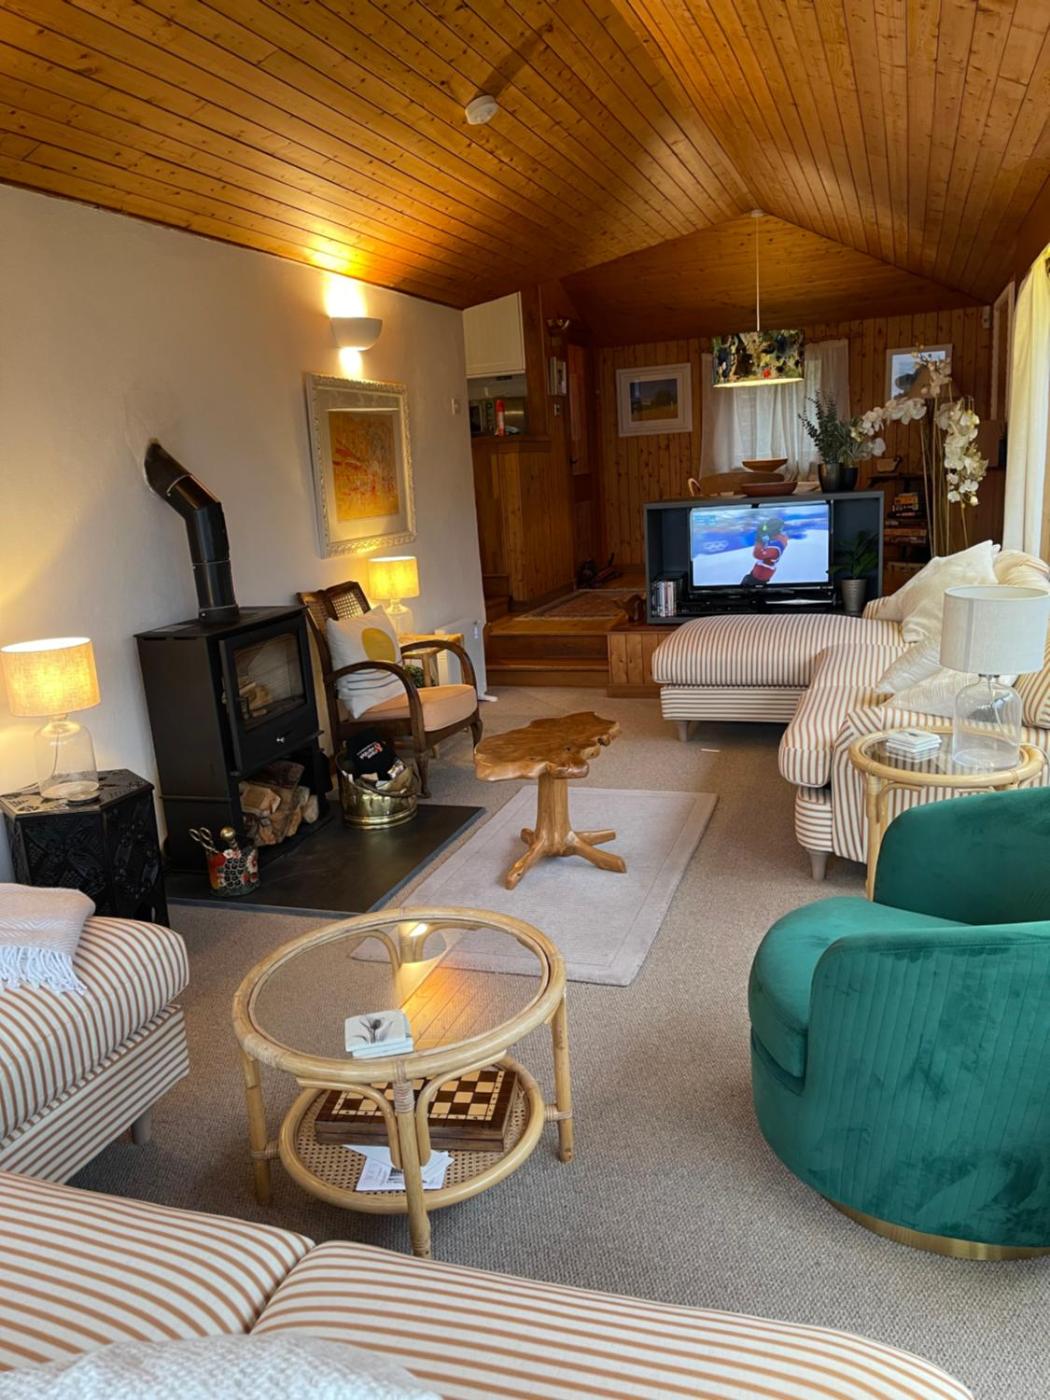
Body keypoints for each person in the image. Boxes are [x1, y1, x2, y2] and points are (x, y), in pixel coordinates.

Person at [740, 515, 788, 587]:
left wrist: (759, 540)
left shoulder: (776, 544)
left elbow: (758, 554)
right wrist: (762, 534)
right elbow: (767, 539)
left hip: (760, 575)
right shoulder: (777, 537)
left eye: (768, 527)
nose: (767, 529)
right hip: (759, 573)